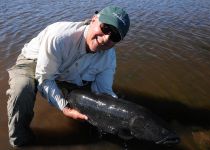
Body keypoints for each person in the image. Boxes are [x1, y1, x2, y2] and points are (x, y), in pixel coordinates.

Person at [6, 6, 130, 147]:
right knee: (22, 89)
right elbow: (45, 78)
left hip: (70, 72)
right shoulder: (60, 37)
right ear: (94, 20)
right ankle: (20, 139)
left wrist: (115, 110)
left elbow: (103, 92)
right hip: (35, 60)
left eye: (114, 36)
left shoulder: (109, 58)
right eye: (105, 28)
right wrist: (65, 108)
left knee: (93, 103)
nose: (106, 38)